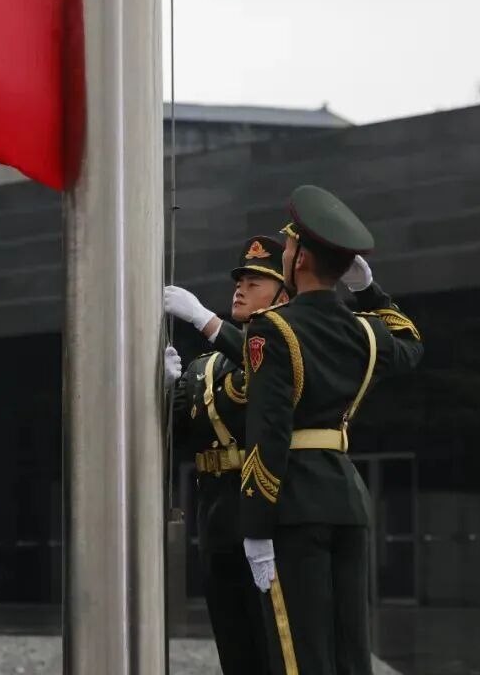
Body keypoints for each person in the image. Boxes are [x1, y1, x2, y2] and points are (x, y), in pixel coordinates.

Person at [239, 185, 423, 675]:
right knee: (349, 651)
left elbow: (268, 430)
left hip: (292, 504)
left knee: (299, 652)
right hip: (345, 497)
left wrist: (255, 528)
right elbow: (410, 340)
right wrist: (368, 289)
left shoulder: (270, 329)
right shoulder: (365, 331)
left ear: (298, 259)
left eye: (290, 246)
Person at [165, 236, 289, 674]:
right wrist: (164, 391)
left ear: (284, 294)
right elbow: (176, 437)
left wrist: (204, 319)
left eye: (256, 281)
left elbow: (263, 370)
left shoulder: (288, 351)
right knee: (235, 650)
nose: (241, 287)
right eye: (240, 279)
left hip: (266, 518)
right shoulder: (207, 366)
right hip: (217, 520)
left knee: (276, 649)